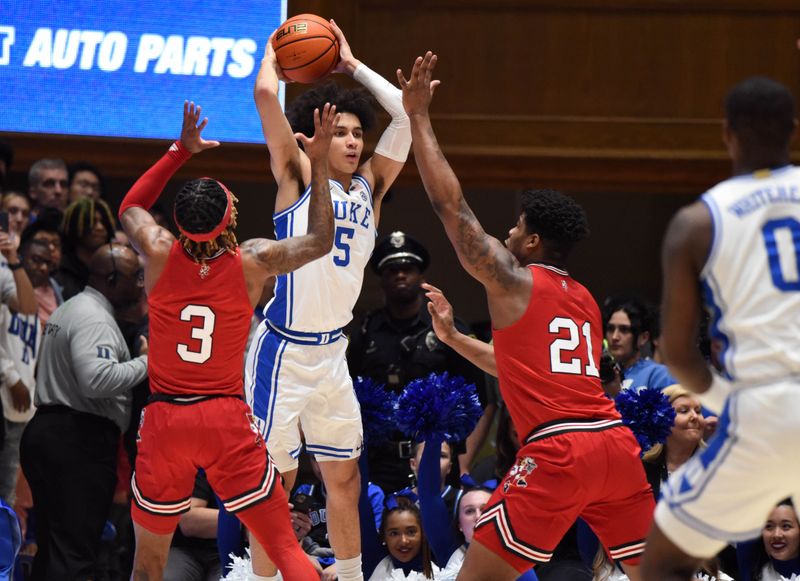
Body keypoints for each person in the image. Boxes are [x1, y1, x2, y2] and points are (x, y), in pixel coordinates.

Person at [397, 52, 654, 581]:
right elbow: (529, 369)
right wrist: (454, 338)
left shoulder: (511, 278)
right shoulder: (582, 297)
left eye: (514, 229)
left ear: (533, 240)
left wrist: (419, 118)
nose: (507, 235)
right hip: (614, 445)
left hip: (559, 450)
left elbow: (452, 206)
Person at [118, 100, 336, 580]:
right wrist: (318, 162)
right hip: (224, 416)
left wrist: (180, 150)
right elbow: (321, 238)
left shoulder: (156, 251)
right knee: (282, 547)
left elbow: (130, 206)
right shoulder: (252, 260)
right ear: (228, 219)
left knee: (147, 563)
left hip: (165, 418)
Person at [245, 18, 413, 581]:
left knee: (344, 478)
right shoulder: (294, 172)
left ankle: (346, 575)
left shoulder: (371, 187)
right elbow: (267, 93)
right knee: (276, 485)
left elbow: (407, 117)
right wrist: (273, 51)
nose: (349, 141)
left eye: (355, 134)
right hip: (282, 353)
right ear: (310, 137)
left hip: (331, 354)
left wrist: (349, 63)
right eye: (337, 131)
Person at [638, 75, 800, 580]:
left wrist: (724, 398)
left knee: (664, 562)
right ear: (793, 130)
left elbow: (679, 352)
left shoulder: (696, 222)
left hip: (765, 411)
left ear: (726, 132)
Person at [19, 243, 148, 580]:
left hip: (52, 432)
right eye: (135, 277)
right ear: (110, 277)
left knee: (53, 548)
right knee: (75, 554)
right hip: (78, 442)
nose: (140, 285)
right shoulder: (96, 319)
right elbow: (97, 379)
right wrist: (149, 362)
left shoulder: (71, 307)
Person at [349, 231, 492, 492]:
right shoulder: (365, 332)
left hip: (436, 456)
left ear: (422, 278)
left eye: (408, 268)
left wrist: (464, 459)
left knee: (437, 530)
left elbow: (481, 399)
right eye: (392, 269)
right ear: (381, 279)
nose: (400, 275)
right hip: (380, 461)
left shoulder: (449, 330)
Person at [0, 228, 39, 504]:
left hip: (11, 404)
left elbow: (27, 307)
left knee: (7, 493)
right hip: (6, 384)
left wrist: (13, 260)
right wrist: (10, 374)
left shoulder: (5, 267)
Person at [603, 297, 675, 392]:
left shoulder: (659, 374)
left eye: (624, 330)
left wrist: (617, 395)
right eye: (611, 329)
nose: (614, 337)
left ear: (643, 338)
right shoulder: (598, 375)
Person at [56, 197, 116, 300]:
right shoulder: (59, 272)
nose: (100, 227)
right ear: (75, 226)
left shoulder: (114, 270)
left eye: (103, 222)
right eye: (92, 222)